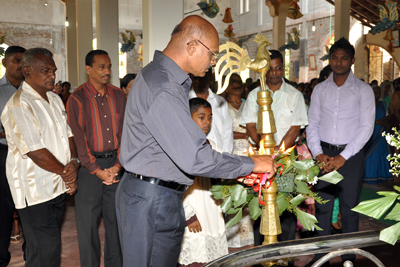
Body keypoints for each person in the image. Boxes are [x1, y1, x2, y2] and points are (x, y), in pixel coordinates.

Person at [116, 15, 277, 267]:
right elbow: (194, 157)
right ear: (192, 46)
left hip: (160, 193)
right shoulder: (162, 84)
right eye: (212, 54)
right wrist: (252, 163)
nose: (214, 62)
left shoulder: (170, 80)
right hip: (148, 198)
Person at [1, 47, 79, 266]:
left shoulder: (54, 99)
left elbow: (68, 134)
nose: (52, 76)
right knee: (47, 249)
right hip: (34, 190)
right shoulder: (19, 105)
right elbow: (35, 151)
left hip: (57, 185)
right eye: (45, 71)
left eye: (53, 71)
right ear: (27, 71)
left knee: (40, 251)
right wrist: (68, 174)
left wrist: (74, 163)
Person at [306, 38, 375, 267]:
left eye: (344, 58)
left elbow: (367, 127)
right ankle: (320, 258)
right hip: (324, 154)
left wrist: (343, 157)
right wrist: (317, 153)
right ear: (330, 59)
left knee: (349, 209)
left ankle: (348, 259)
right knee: (323, 209)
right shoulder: (319, 89)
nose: (338, 62)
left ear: (352, 61)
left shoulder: (363, 90)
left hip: (351, 156)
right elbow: (312, 124)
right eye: (335, 57)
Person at [240, 49, 308, 254]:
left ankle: (285, 256)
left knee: (286, 209)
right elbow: (250, 125)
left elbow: (295, 128)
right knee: (261, 208)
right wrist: (264, 148)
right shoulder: (254, 95)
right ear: (263, 70)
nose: (274, 73)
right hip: (261, 159)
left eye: (278, 68)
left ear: (282, 69)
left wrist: (276, 153)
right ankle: (262, 256)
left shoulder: (294, 95)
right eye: (270, 69)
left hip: (286, 160)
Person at [67, 50, 125, 267]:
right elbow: (78, 139)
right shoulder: (77, 98)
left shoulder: (119, 95)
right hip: (89, 169)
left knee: (116, 223)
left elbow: (126, 134)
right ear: (88, 69)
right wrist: (96, 169)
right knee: (87, 226)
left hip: (116, 166)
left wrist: (118, 165)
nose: (107, 71)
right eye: (101, 67)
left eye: (109, 66)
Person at [178, 98, 229, 267]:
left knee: (213, 260)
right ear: (188, 117)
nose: (207, 122)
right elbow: (177, 187)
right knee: (194, 259)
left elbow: (226, 168)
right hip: (194, 210)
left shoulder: (212, 145)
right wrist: (188, 215)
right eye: (201, 117)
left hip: (211, 208)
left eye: (210, 117)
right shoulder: (182, 146)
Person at [0, 45, 26, 267]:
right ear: (5, 63)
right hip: (4, 152)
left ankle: (33, 255)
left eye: (24, 61)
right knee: (4, 208)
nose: (20, 65)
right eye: (16, 60)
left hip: (32, 156)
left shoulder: (34, 89)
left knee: (31, 204)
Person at [224, 73, 254, 247]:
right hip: (232, 153)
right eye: (232, 82)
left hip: (249, 154)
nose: (236, 85)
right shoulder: (222, 106)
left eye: (239, 83)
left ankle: (248, 240)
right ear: (227, 87)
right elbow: (221, 131)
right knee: (234, 197)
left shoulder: (246, 104)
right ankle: (232, 242)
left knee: (248, 198)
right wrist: (245, 134)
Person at [189, 70, 233, 153]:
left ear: (210, 80)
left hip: (220, 152)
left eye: (203, 78)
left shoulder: (220, 102)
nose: (199, 81)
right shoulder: (185, 100)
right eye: (196, 78)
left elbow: (228, 131)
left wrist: (225, 156)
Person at [364, 86, 392, 184]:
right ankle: (369, 176)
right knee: (370, 154)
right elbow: (363, 119)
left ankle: (381, 175)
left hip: (381, 134)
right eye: (375, 92)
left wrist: (385, 122)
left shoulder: (383, 104)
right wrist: (376, 122)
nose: (377, 94)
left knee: (380, 154)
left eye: (378, 92)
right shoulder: (366, 104)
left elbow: (387, 116)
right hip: (371, 134)